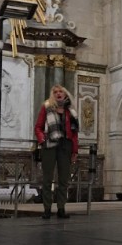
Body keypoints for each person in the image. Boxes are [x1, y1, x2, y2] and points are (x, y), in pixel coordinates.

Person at [34, 85, 79, 219]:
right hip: (50, 144)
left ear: (65, 94)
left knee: (63, 179)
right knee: (48, 178)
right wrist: (42, 140)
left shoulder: (71, 111)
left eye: (61, 92)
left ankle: (61, 208)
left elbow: (75, 134)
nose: (58, 94)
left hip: (66, 145)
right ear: (52, 95)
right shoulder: (47, 107)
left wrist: (74, 151)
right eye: (55, 92)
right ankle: (47, 209)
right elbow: (38, 127)